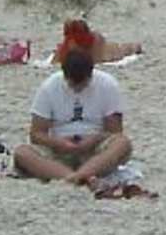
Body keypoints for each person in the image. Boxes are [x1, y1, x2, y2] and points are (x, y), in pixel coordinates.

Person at [12, 48, 132, 186]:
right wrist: (58, 143)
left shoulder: (107, 85)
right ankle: (75, 177)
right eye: (73, 84)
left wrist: (93, 140)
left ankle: (79, 175)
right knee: (22, 153)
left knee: (122, 143)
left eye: (82, 84)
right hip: (59, 151)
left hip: (95, 151)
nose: (77, 89)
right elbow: (36, 133)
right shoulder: (49, 87)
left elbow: (115, 131)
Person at [59, 16, 143, 64]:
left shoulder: (95, 40)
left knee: (127, 48)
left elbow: (96, 60)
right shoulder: (68, 43)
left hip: (108, 51)